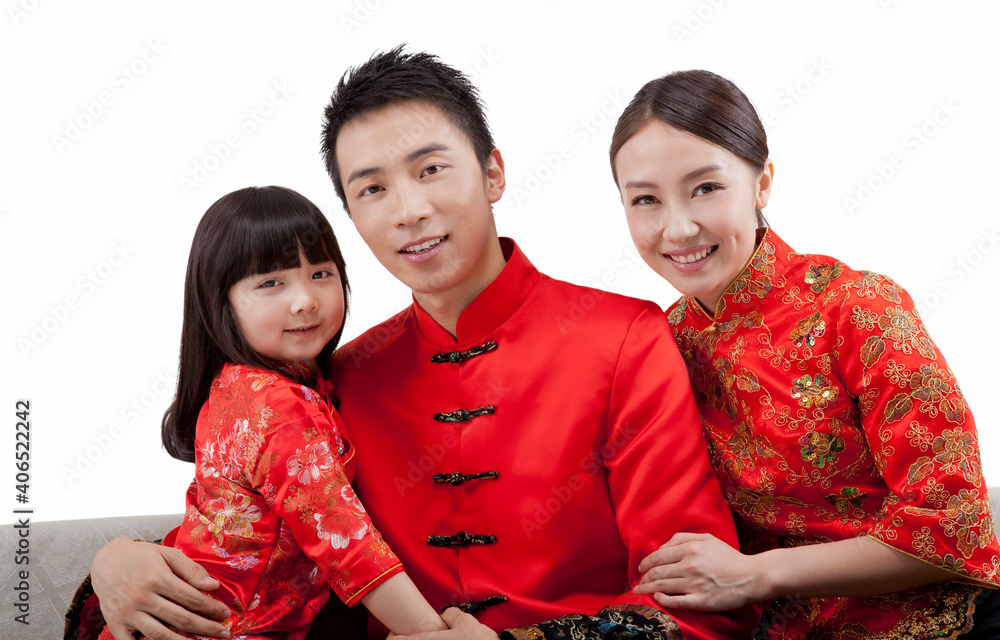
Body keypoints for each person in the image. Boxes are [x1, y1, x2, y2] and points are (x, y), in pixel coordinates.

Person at [86, 50, 758, 640]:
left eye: (430, 169)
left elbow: (700, 609)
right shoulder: (342, 377)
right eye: (372, 188)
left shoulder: (625, 340)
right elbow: (250, 528)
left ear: (493, 172)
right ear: (352, 217)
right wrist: (113, 560)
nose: (407, 210)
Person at [609, 69, 1000, 638]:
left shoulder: (856, 308)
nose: (678, 227)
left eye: (706, 187)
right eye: (645, 199)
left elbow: (952, 527)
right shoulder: (659, 343)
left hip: (938, 625)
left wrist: (756, 575)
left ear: (762, 182)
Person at [97, 186, 447, 639]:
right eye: (270, 283)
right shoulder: (277, 404)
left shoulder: (242, 384)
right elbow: (346, 545)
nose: (305, 300)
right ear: (220, 301)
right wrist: (436, 634)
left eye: (321, 273)